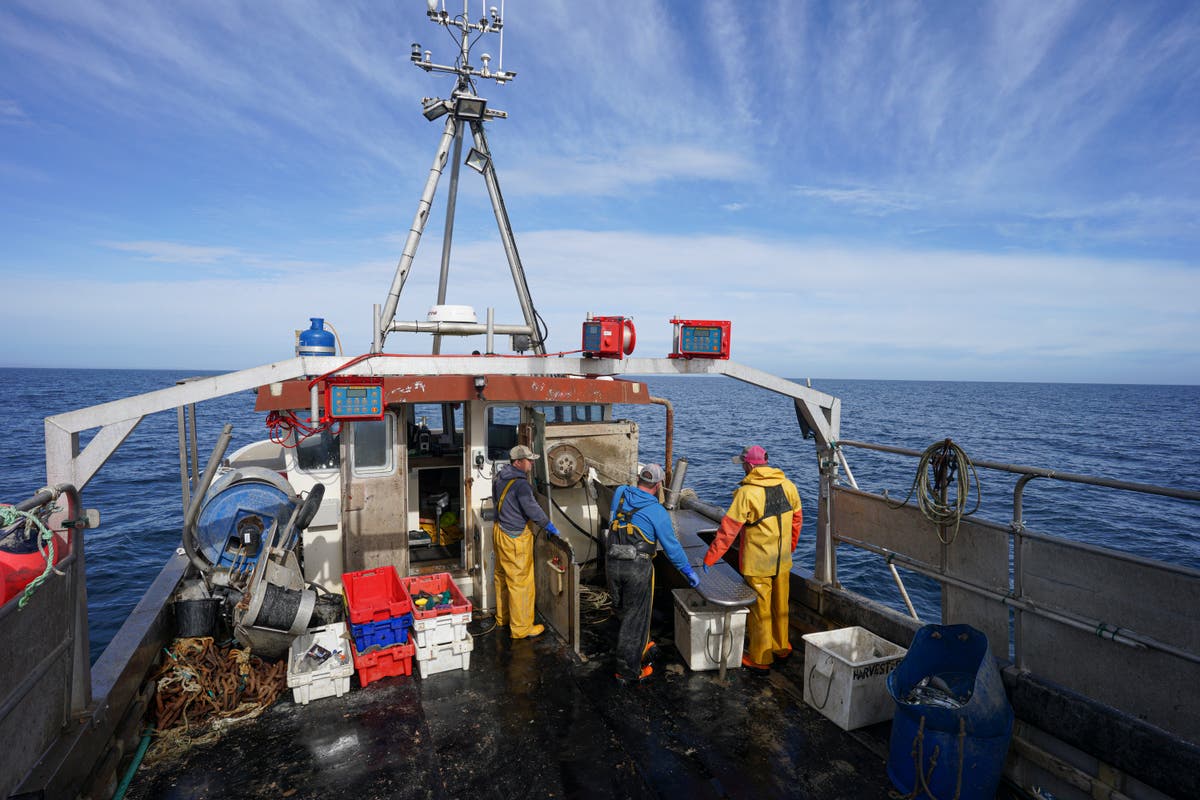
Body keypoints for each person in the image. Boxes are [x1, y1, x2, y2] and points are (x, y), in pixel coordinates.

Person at [702, 445, 802, 674]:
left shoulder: (747, 493)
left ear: (749, 465)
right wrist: (791, 548)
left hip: (758, 563)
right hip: (783, 560)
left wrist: (709, 559)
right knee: (781, 605)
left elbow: (728, 531)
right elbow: (797, 521)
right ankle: (781, 648)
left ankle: (761, 658)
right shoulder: (789, 486)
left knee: (761, 610)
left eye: (743, 464)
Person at [607, 463, 700, 683]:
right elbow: (672, 547)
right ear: (658, 485)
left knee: (621, 609)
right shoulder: (657, 511)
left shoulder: (620, 493)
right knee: (636, 618)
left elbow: (613, 519)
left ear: (639, 479)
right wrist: (687, 570)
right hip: (637, 568)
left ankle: (642, 643)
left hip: (612, 561)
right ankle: (627, 671)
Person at [492, 444, 560, 639]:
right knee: (520, 583)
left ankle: (503, 617)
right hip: (514, 538)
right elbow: (532, 509)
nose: (531, 463)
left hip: (499, 532)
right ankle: (521, 628)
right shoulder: (521, 485)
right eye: (529, 460)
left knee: (502, 577)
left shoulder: (500, 476)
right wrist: (549, 526)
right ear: (518, 462)